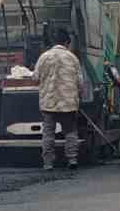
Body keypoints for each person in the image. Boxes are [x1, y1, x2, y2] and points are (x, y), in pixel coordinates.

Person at [33, 27, 84, 171]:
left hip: (49, 102)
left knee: (48, 133)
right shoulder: (73, 58)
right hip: (68, 103)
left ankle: (48, 163)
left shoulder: (44, 57)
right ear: (67, 42)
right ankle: (72, 159)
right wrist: (78, 95)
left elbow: (35, 78)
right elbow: (80, 82)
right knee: (70, 131)